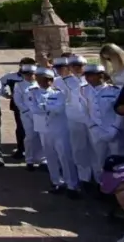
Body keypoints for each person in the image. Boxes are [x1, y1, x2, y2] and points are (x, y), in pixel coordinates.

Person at [28, 67, 80, 198]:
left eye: (46, 80)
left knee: (65, 157)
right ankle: (56, 182)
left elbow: (59, 109)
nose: (42, 82)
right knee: (50, 157)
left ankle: (72, 185)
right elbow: (33, 109)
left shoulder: (59, 93)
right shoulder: (32, 92)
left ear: (51, 80)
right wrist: (48, 107)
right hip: (43, 129)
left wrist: (44, 106)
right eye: (40, 79)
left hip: (60, 129)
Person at [81, 63, 124, 184]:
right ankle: (102, 185)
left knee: (118, 159)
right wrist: (94, 127)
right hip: (96, 131)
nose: (87, 78)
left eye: (91, 75)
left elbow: (120, 111)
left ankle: (120, 186)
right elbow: (84, 112)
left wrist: (115, 128)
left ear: (101, 75)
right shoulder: (83, 90)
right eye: (86, 75)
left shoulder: (115, 90)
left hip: (115, 131)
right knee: (99, 160)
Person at [54, 56, 93, 188]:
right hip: (74, 119)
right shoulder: (59, 82)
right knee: (79, 149)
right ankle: (84, 178)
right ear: (69, 67)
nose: (77, 68)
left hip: (93, 120)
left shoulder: (92, 79)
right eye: (74, 66)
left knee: (95, 149)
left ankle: (97, 178)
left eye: (80, 65)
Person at [1, 57, 36, 160]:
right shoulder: (11, 76)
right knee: (21, 128)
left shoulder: (36, 76)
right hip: (18, 106)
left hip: (35, 106)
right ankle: (21, 149)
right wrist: (6, 94)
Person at [13, 64, 45, 172]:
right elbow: (18, 100)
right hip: (27, 115)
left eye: (32, 74)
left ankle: (42, 159)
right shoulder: (19, 85)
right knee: (30, 137)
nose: (29, 76)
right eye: (27, 74)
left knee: (41, 136)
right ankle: (29, 160)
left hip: (40, 114)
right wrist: (26, 111)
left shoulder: (40, 84)